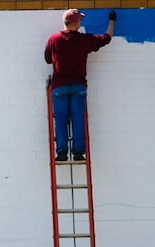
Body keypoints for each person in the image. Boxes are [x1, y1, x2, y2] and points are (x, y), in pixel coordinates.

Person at [45, 9, 115, 162]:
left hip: (59, 87)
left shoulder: (53, 39)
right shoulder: (84, 40)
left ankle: (62, 152)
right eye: (80, 21)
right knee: (78, 119)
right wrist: (112, 21)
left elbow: (48, 59)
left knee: (61, 119)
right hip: (78, 86)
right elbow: (106, 38)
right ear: (76, 24)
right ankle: (78, 152)